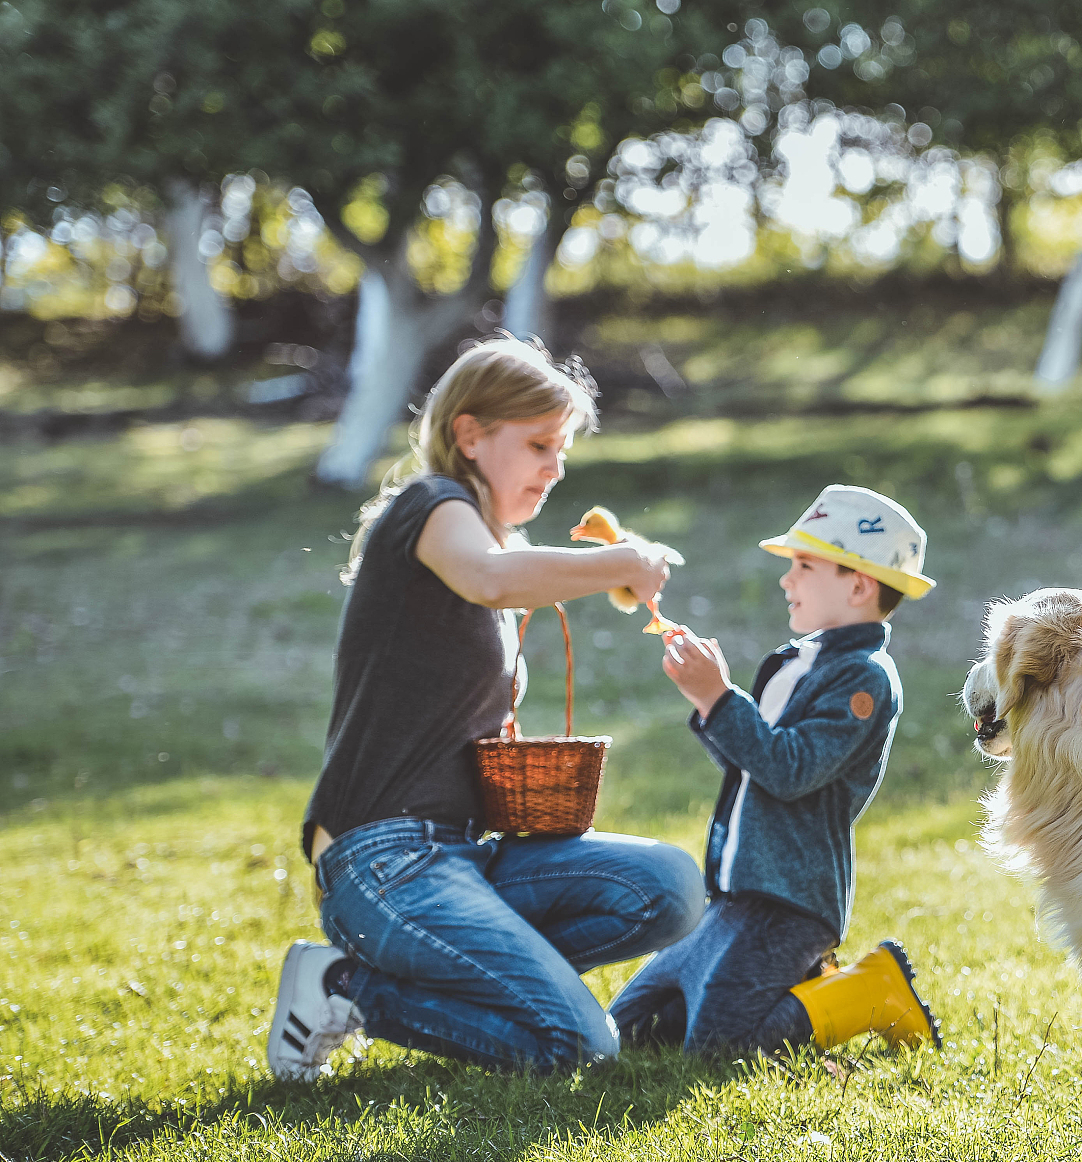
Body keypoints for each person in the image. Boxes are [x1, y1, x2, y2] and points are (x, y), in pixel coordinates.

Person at [267, 337, 703, 1081]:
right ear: (469, 435)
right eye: (537, 444)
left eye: (561, 449)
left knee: (669, 886)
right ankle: (344, 986)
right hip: (384, 861)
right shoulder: (432, 506)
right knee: (580, 1047)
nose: (555, 467)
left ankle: (494, 987)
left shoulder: (494, 542)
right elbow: (494, 578)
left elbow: (504, 578)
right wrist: (622, 562)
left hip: (466, 851)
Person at [609, 484, 943, 1055]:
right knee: (628, 1034)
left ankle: (870, 989)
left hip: (790, 903)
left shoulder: (865, 677)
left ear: (859, 585)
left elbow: (791, 770)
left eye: (804, 565)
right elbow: (755, 764)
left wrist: (720, 700)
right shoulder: (799, 661)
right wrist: (710, 701)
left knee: (717, 1048)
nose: (787, 580)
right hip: (740, 895)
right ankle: (808, 985)